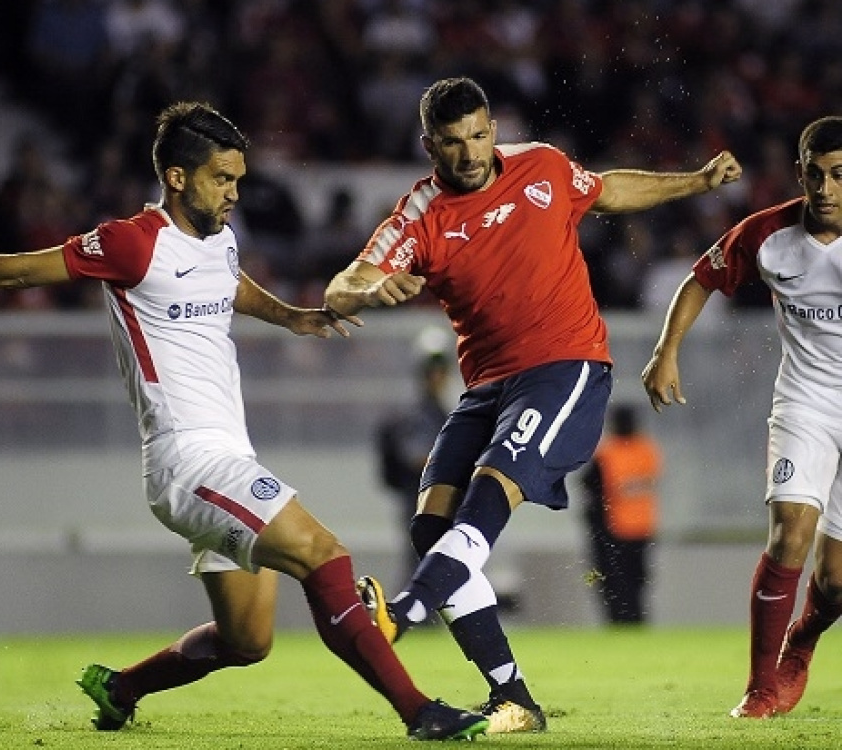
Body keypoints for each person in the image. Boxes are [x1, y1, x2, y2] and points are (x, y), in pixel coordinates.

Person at [0, 101, 488, 742]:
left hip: (228, 460)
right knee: (325, 555)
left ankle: (120, 688)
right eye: (221, 179)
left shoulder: (221, 239)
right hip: (189, 461)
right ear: (177, 178)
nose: (234, 193)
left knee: (247, 639)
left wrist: (290, 315)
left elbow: (230, 285)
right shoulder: (132, 242)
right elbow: (21, 270)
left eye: (238, 179)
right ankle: (420, 711)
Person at [323, 76, 742, 733]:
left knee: (490, 491)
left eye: (480, 135)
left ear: (494, 128)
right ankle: (514, 697)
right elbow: (345, 283)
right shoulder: (421, 214)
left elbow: (607, 190)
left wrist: (696, 181)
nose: (470, 153)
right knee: (431, 527)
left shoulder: (542, 166)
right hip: (487, 386)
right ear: (430, 145)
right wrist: (371, 289)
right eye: (453, 143)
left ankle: (398, 615)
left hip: (565, 366)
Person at [642, 115, 842, 719]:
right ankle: (759, 688)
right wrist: (665, 348)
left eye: (839, 176)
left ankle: (802, 639)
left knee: (834, 584)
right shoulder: (767, 235)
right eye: (816, 175)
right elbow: (700, 280)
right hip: (805, 402)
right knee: (790, 531)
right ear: (799, 172)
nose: (827, 189)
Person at [375, 326, 454, 585]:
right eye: (431, 370)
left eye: (440, 369)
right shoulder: (414, 415)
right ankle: (414, 618)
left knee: (441, 563)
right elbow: (416, 457)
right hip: (421, 499)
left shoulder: (444, 411)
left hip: (444, 498)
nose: (436, 376)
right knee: (422, 562)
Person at [579, 403, 662, 625]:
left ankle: (620, 622)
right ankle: (634, 621)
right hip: (641, 528)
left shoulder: (607, 453)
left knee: (614, 583)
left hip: (613, 530)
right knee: (637, 581)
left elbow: (590, 491)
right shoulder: (647, 450)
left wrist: (594, 525)